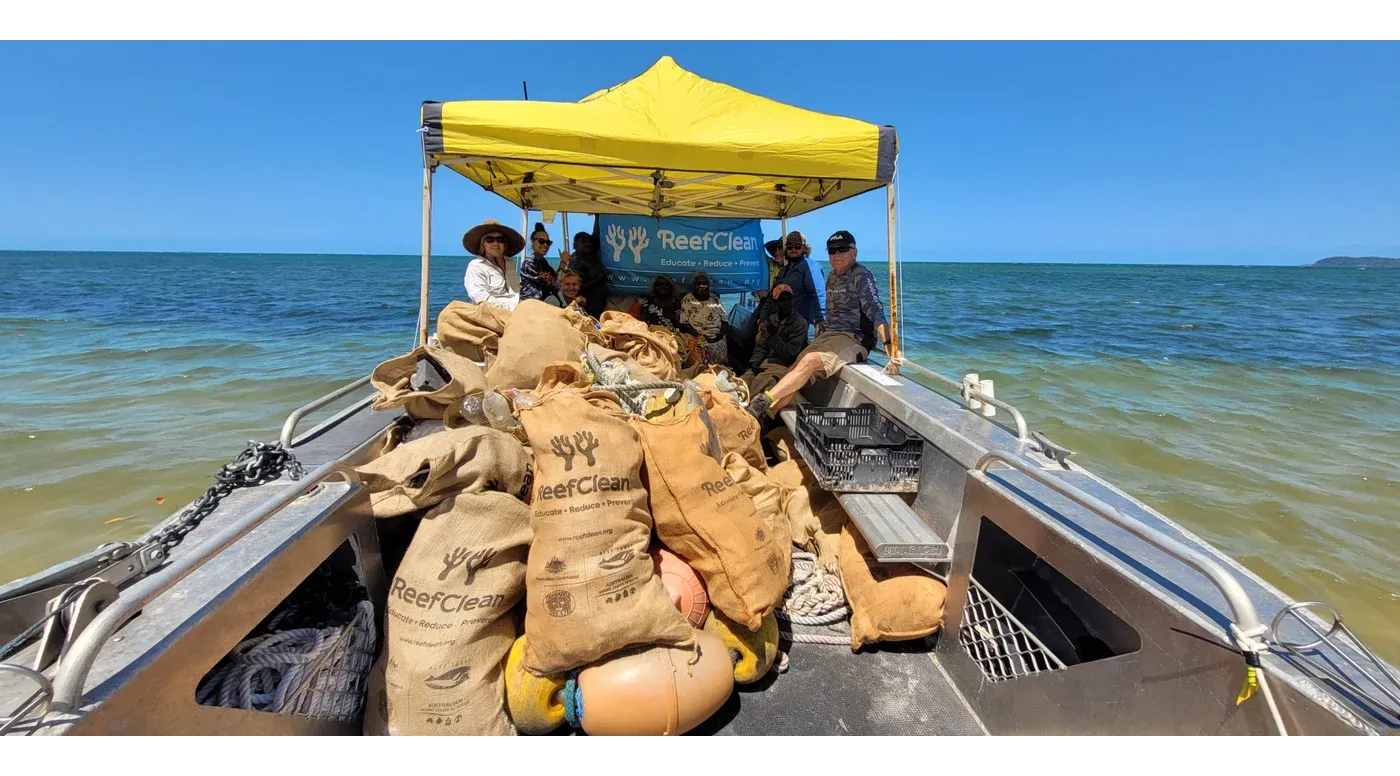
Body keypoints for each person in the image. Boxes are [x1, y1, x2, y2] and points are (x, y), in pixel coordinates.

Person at [746, 230, 890, 418]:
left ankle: (762, 402)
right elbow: (829, 309)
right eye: (832, 251)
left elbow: (874, 308)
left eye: (842, 250)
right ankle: (764, 419)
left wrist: (888, 343)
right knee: (794, 368)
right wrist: (821, 326)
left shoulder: (861, 275)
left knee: (809, 361)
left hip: (855, 337)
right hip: (831, 334)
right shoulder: (831, 277)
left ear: (854, 253)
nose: (837, 254)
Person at [740, 284, 809, 397]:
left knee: (756, 388)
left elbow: (790, 354)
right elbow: (761, 347)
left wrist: (774, 337)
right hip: (765, 363)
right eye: (782, 300)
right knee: (740, 384)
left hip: (783, 366)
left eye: (788, 299)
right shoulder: (770, 321)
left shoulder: (799, 323)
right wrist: (754, 364)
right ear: (776, 303)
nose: (786, 303)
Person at [763, 231, 826, 331]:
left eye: (797, 247)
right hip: (781, 320)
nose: (793, 250)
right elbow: (771, 296)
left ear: (804, 248)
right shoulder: (785, 270)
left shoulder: (810, 267)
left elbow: (818, 294)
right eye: (789, 247)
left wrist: (821, 319)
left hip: (799, 323)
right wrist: (763, 319)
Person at [463, 219, 524, 310]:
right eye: (490, 240)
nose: (495, 243)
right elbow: (482, 299)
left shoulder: (510, 262)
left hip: (518, 308)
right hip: (493, 313)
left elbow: (516, 291)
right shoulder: (476, 266)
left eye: (500, 239)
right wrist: (513, 309)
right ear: (482, 243)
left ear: (504, 243)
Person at [680, 271, 730, 368]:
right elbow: (684, 323)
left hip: (717, 337)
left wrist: (719, 336)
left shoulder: (714, 299)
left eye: (704, 283)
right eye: (698, 283)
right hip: (697, 337)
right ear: (693, 285)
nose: (701, 286)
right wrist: (701, 337)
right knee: (701, 363)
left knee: (719, 367)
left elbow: (725, 321)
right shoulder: (688, 299)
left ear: (708, 285)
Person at [519, 222, 564, 304]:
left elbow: (556, 279)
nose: (545, 245)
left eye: (548, 242)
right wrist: (563, 263)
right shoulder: (528, 264)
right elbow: (551, 283)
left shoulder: (544, 263)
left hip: (543, 304)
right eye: (541, 241)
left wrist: (563, 262)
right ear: (532, 241)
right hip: (532, 304)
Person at [569, 231, 610, 319]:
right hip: (586, 307)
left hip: (599, 305)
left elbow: (597, 231)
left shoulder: (591, 256)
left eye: (589, 242)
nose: (587, 244)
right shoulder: (575, 261)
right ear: (576, 244)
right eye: (583, 241)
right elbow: (579, 285)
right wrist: (599, 278)